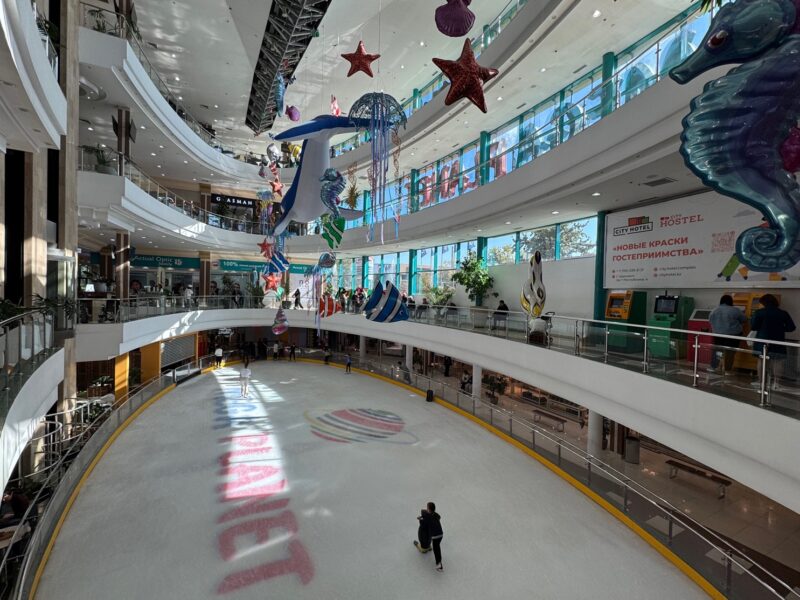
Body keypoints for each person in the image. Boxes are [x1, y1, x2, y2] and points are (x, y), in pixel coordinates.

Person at [751, 294, 796, 390]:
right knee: (778, 362)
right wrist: (780, 329)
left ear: (763, 303)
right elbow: (791, 327)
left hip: (762, 340)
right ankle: (776, 383)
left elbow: (754, 326)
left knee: (761, 361)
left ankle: (761, 382)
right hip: (778, 340)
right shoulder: (783, 313)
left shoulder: (759, 312)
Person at [708, 294, 746, 373]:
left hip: (718, 334)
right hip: (732, 335)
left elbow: (710, 320)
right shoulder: (735, 310)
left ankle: (714, 367)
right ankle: (727, 370)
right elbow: (744, 319)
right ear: (730, 301)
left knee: (718, 350)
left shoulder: (714, 310)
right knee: (730, 352)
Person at [415, 502, 444, 571]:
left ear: (429, 510)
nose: (426, 509)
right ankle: (438, 563)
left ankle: (439, 564)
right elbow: (437, 517)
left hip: (435, 536)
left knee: (436, 549)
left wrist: (420, 519)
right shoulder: (436, 515)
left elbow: (423, 524)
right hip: (441, 534)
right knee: (437, 547)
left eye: (427, 508)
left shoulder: (428, 517)